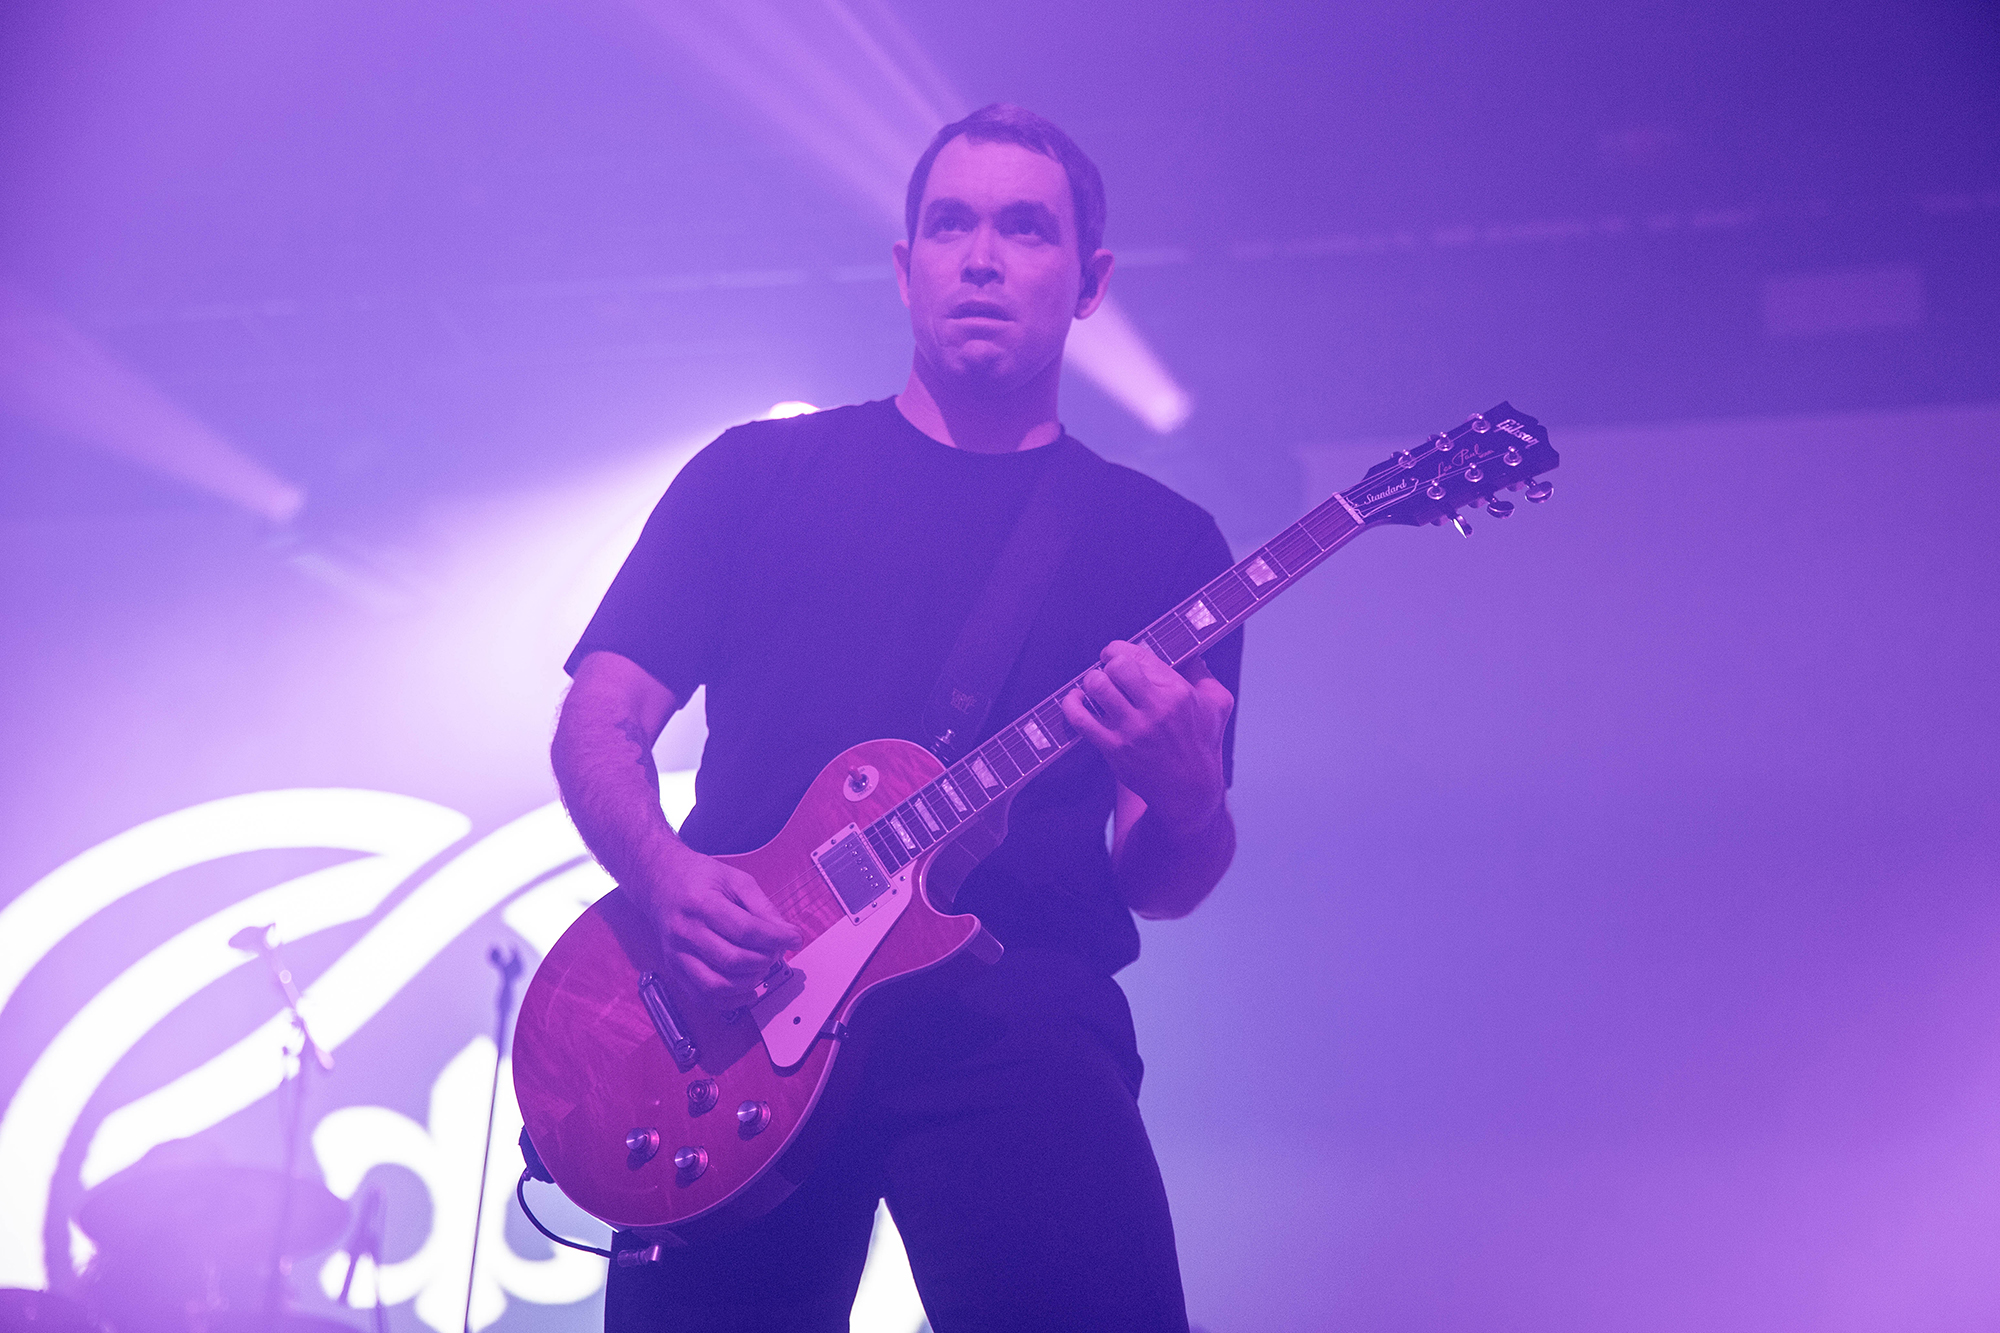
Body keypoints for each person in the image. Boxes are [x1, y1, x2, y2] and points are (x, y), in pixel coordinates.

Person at [553, 103, 1242, 1333]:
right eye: (950, 225)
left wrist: (1191, 798)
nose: (980, 257)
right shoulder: (753, 477)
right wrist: (662, 876)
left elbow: (1160, 881)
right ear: (903, 265)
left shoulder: (1161, 545)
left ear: (1089, 282)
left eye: (1023, 228)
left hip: (1015, 1016)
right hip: (736, 1007)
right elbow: (598, 721)